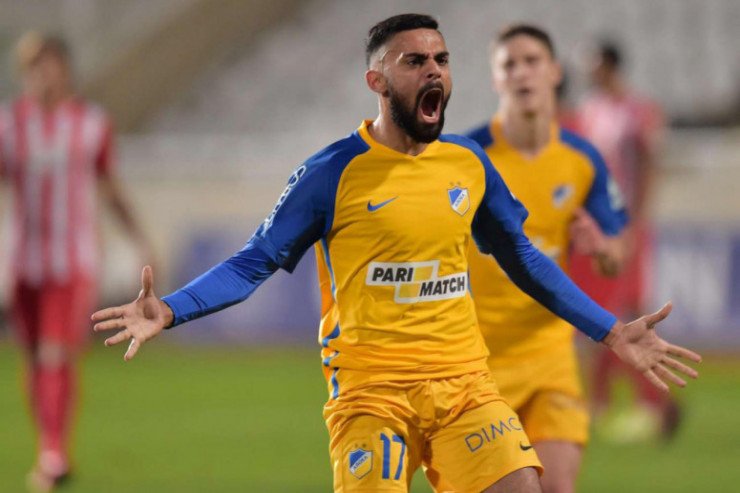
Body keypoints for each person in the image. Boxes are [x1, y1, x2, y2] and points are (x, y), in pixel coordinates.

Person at [91, 14, 700, 493]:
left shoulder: (468, 163)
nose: (433, 71)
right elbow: (254, 261)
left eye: (442, 60)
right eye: (415, 61)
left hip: (465, 385)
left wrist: (609, 330)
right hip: (371, 394)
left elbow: (524, 258)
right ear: (377, 82)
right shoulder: (331, 173)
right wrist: (170, 308)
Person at [464, 25, 631, 493]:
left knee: (557, 487)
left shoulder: (583, 159)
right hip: (476, 362)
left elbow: (617, 254)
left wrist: (603, 249)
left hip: (549, 356)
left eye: (532, 61)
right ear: (496, 79)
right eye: (509, 64)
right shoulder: (466, 158)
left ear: (554, 72)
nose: (521, 72)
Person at [0, 32, 152, 492]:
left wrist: (140, 239)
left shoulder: (90, 123)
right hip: (24, 261)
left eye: (47, 64)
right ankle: (48, 447)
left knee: (55, 352)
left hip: (73, 262)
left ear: (65, 69)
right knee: (32, 355)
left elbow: (109, 187)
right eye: (32, 66)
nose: (40, 75)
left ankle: (54, 452)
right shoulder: (9, 125)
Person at [571, 41, 676, 441]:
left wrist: (636, 222)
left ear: (608, 64)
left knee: (629, 310)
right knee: (598, 311)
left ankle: (654, 403)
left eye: (593, 63)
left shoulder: (637, 111)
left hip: (626, 227)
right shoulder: (589, 109)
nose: (587, 71)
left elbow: (648, 166)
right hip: (596, 228)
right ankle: (602, 402)